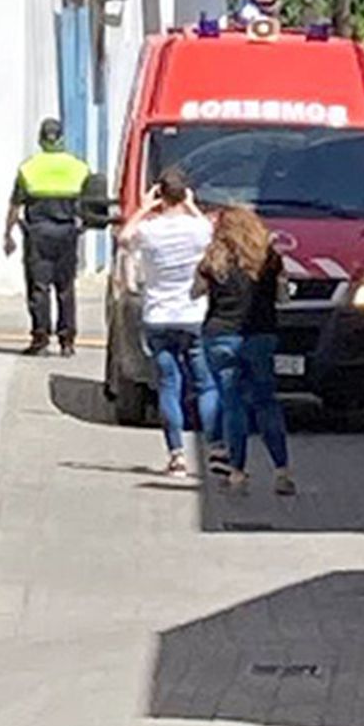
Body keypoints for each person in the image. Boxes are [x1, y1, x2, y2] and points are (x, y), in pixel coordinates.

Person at [117, 170, 219, 477]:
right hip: (194, 317)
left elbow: (124, 238)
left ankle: (176, 456)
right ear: (185, 194)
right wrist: (192, 206)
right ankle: (215, 449)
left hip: (158, 318)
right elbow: (214, 234)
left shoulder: (149, 231)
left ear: (160, 195)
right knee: (205, 384)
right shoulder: (199, 229)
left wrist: (145, 207)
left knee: (168, 386)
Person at [200, 206, 294, 496]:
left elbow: (195, 292)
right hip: (260, 335)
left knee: (233, 405)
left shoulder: (213, 259)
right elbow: (283, 297)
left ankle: (238, 472)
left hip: (220, 336)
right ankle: (282, 471)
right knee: (266, 403)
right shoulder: (271, 258)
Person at [4, 119, 91, 357]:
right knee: (65, 287)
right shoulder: (79, 167)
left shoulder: (29, 168)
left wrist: (8, 234)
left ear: (41, 139)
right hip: (66, 233)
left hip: (38, 234)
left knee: (39, 287)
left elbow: (15, 204)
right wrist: (84, 226)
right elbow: (90, 203)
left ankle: (40, 339)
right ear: (62, 138)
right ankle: (67, 342)